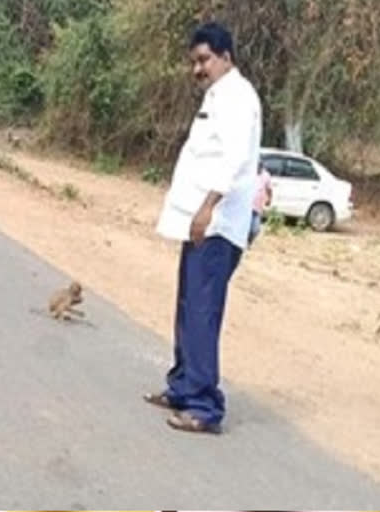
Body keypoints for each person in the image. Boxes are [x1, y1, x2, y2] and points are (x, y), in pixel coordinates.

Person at [144, 22, 262, 434]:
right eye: (193, 62)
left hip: (216, 225)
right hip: (201, 225)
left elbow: (232, 161)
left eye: (204, 60)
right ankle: (182, 387)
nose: (197, 68)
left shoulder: (237, 98)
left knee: (201, 312)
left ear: (226, 57)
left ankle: (204, 406)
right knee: (187, 308)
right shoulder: (219, 95)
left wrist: (207, 208)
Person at [248, 163, 272, 246]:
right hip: (247, 206)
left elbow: (269, 189)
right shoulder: (249, 173)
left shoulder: (266, 176)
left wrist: (269, 199)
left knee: (255, 229)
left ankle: (249, 242)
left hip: (257, 207)